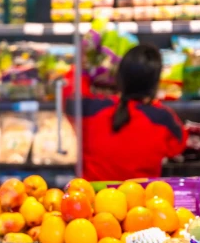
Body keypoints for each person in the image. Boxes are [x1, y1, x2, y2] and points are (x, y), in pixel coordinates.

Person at [66, 44, 187, 181]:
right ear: (155, 82)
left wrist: (83, 67)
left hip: (94, 198)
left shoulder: (93, 109)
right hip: (142, 198)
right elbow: (178, 146)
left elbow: (68, 94)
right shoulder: (163, 118)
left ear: (119, 76)